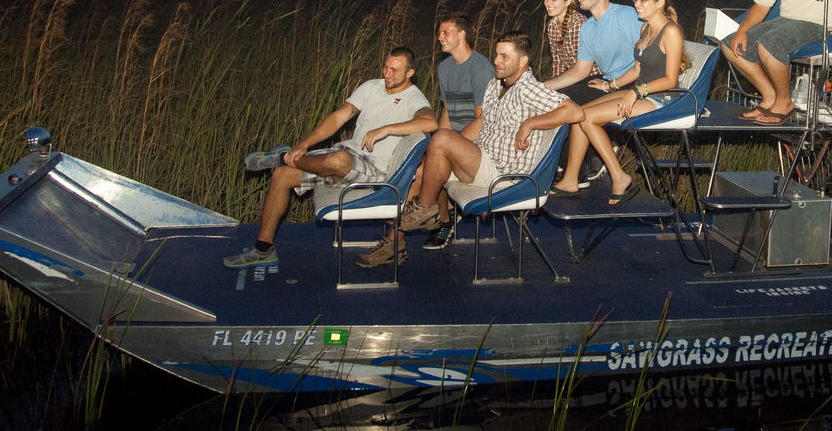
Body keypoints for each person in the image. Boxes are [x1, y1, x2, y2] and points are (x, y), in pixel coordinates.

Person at [359, 32, 581, 266]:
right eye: (497, 54)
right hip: (482, 160)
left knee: (441, 139)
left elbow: (574, 111)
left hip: (503, 174)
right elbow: (482, 121)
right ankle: (394, 244)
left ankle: (425, 210)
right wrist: (450, 146)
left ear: (523, 60)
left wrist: (530, 123)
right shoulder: (496, 83)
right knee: (422, 169)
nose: (496, 61)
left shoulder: (530, 88)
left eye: (505, 56)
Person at [224, 47, 436, 267]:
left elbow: (430, 122)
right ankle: (263, 249)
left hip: (375, 170)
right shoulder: (371, 87)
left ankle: (282, 156)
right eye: (385, 67)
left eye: (394, 70)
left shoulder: (413, 97)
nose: (387, 74)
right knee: (282, 175)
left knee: (338, 160)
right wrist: (303, 145)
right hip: (348, 156)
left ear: (410, 73)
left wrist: (387, 129)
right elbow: (338, 117)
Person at [548, 0, 688, 206]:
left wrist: (636, 92)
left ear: (660, 2)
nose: (637, 5)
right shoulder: (645, 28)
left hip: (662, 97)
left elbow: (670, 80)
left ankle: (619, 177)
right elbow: (636, 70)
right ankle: (571, 179)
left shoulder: (671, 31)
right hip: (641, 91)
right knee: (578, 113)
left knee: (588, 118)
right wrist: (610, 85)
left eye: (644, 0)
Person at [543, 0, 640, 185]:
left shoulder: (625, 15)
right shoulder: (588, 27)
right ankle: (566, 170)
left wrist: (612, 85)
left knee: (569, 107)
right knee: (555, 99)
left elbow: (645, 59)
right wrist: (544, 87)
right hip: (606, 82)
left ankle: (579, 172)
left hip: (631, 83)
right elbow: (580, 71)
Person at [435, 14, 494, 132]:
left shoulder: (481, 69)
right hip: (454, 135)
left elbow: (482, 121)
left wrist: (455, 140)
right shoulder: (444, 67)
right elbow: (447, 112)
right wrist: (440, 136)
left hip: (477, 136)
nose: (440, 37)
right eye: (440, 33)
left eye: (445, 32)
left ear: (461, 34)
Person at [543, 0, 583, 79]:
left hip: (591, 77)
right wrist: (555, 81)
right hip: (572, 77)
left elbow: (581, 68)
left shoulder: (578, 23)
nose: (548, 3)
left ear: (568, 1)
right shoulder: (552, 25)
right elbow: (558, 62)